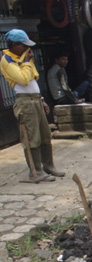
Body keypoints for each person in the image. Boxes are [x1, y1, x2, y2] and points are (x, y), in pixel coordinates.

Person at [1, 29, 64, 182]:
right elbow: (23, 79)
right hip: (25, 102)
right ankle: (35, 172)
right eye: (24, 46)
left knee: (44, 135)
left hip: (35, 99)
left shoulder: (23, 59)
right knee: (31, 137)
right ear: (15, 45)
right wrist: (27, 62)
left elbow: (33, 77)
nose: (27, 49)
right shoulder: (7, 60)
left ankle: (48, 165)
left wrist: (41, 99)